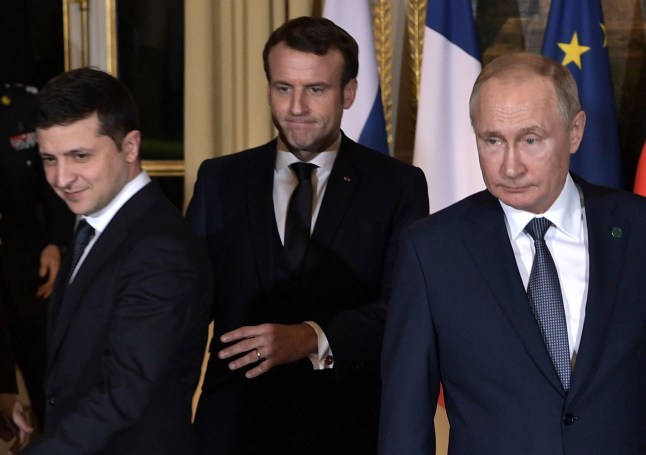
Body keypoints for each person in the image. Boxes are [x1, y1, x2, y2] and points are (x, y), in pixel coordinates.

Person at [378, 52, 646, 454]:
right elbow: (405, 421)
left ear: (575, 131)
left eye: (530, 140)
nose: (510, 166)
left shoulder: (638, 229)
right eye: (493, 141)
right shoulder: (431, 251)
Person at [186, 16, 428, 455]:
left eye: (315, 89)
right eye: (283, 88)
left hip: (346, 431)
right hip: (230, 431)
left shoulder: (398, 187)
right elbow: (184, 308)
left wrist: (312, 336)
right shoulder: (220, 179)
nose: (296, 106)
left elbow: (403, 311)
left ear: (348, 93)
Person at [21, 67, 212, 454]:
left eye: (79, 156)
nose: (62, 178)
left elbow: (124, 391)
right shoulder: (94, 223)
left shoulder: (160, 249)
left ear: (130, 147)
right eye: (49, 159)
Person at [1, 82, 74, 435]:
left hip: (26, 268)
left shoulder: (20, 107)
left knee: (49, 380)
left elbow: (50, 180)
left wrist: (55, 243)